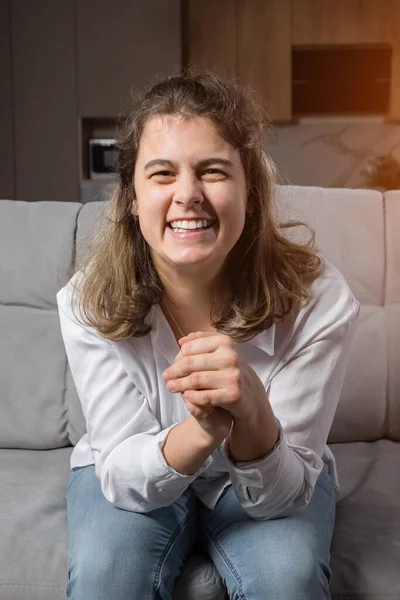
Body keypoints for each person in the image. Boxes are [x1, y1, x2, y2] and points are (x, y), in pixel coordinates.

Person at [57, 72, 360, 600]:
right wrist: (201, 433)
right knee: (107, 572)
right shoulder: (85, 301)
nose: (188, 195)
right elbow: (125, 476)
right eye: (162, 174)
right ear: (131, 197)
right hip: (136, 465)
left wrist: (253, 413)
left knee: (289, 578)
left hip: (274, 470)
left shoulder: (321, 302)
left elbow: (282, 496)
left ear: (250, 190)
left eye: (213, 171)